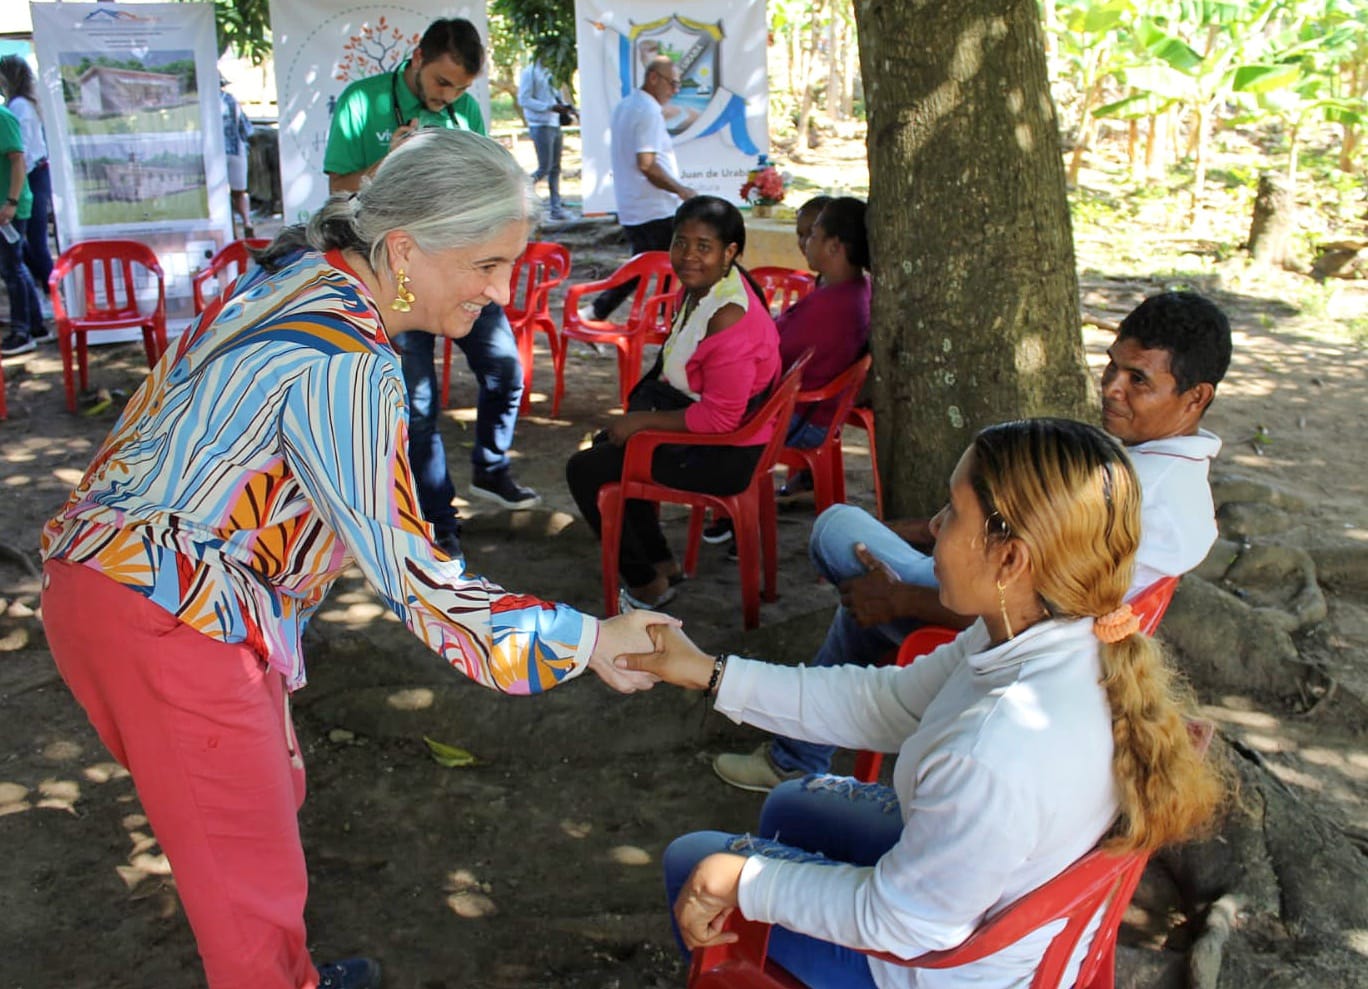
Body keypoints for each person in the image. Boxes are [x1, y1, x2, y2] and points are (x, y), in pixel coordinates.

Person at [40, 129, 672, 989]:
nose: (499, 292)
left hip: (134, 590)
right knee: (244, 890)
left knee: (265, 815)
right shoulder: (351, 359)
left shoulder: (303, 277)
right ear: (405, 250)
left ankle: (289, 969)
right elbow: (414, 574)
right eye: (487, 264)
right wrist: (583, 640)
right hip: (164, 615)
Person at [622, 417, 1225, 989]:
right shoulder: (1053, 631)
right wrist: (705, 671)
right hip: (968, 895)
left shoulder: (995, 748)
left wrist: (744, 883)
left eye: (954, 513)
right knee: (791, 803)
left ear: (1010, 559)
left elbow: (907, 925)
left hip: (934, 966)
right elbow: (888, 702)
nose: (935, 526)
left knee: (692, 862)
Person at [714, 290, 1232, 791]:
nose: (1112, 387)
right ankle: (797, 753)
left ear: (1196, 397)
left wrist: (900, 598)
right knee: (861, 569)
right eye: (1113, 366)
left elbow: (1038, 615)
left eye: (1137, 379)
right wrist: (918, 538)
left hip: (997, 628)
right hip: (1009, 619)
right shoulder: (1160, 479)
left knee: (840, 538)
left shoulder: (1134, 496)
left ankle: (796, 757)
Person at [324, 17, 539, 562]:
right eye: (444, 84)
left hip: (460, 262)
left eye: (462, 90)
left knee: (505, 369)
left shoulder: (462, 110)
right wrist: (389, 163)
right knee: (416, 402)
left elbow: (482, 195)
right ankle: (439, 519)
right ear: (417, 58)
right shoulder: (362, 100)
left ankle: (491, 468)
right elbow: (339, 188)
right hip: (400, 272)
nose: (451, 98)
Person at [566, 196, 781, 609]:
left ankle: (646, 584)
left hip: (726, 456)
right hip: (718, 432)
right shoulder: (708, 289)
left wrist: (643, 424)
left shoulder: (728, 315)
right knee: (610, 448)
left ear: (729, 252)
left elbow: (721, 418)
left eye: (704, 246)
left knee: (585, 470)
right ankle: (662, 563)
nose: (688, 257)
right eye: (680, 243)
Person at [703, 196, 871, 546]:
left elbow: (768, 356)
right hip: (810, 412)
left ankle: (732, 510)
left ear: (835, 246)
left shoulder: (832, 306)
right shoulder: (851, 289)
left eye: (812, 236)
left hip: (796, 419)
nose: (805, 242)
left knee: (706, 408)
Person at [586, 55, 696, 323]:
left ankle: (595, 312)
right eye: (672, 83)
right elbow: (646, 165)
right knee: (672, 266)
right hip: (654, 207)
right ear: (653, 78)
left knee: (640, 268)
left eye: (678, 85)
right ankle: (666, 323)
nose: (675, 90)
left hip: (635, 205)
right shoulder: (647, 111)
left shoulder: (626, 105)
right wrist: (681, 190)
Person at [0, 54, 53, 307]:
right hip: (33, 173)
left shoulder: (19, 106)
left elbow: (21, 152)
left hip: (31, 175)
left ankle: (52, 296)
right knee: (26, 242)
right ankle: (44, 293)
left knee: (33, 241)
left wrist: (15, 191)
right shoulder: (23, 103)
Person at [0, 99, 45, 357]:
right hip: (6, 204)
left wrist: (11, 202)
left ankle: (22, 332)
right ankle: (36, 326)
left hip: (11, 205)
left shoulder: (3, 117)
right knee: (15, 265)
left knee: (11, 267)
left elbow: (18, 160)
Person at [517, 56, 573, 221]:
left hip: (554, 122)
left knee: (555, 168)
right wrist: (548, 107)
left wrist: (565, 108)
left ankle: (556, 208)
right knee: (544, 167)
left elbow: (556, 96)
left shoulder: (552, 73)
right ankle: (519, 191)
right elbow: (524, 99)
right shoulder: (530, 72)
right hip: (540, 123)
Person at [220, 78, 255, 237]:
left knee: (221, 195)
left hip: (217, 154)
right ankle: (247, 221)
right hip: (237, 149)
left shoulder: (205, 103)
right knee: (239, 192)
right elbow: (246, 128)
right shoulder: (230, 100)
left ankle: (233, 230)